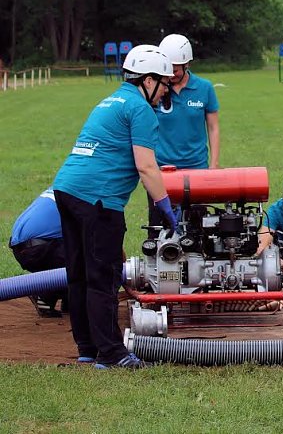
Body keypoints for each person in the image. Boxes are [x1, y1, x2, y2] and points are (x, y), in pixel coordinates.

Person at [53, 45, 179, 369]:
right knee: (104, 276)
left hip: (68, 189)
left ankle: (87, 346)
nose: (166, 90)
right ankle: (111, 353)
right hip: (98, 199)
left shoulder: (111, 100)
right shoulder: (140, 109)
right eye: (164, 84)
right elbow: (147, 167)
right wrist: (166, 206)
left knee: (79, 274)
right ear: (148, 80)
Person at [155, 33, 220, 169]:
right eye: (167, 69)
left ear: (187, 64)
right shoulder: (155, 90)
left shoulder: (204, 87)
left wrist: (214, 164)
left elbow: (213, 128)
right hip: (163, 168)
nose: (171, 75)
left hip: (197, 165)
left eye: (175, 70)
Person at [9, 188, 66, 317]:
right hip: (38, 250)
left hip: (20, 248)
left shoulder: (58, 187)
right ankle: (44, 296)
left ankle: (68, 300)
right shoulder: (85, 197)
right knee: (88, 258)